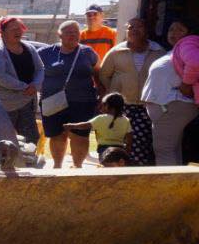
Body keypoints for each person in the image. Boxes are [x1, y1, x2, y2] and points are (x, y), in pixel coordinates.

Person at [97, 17, 164, 165]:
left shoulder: (158, 51)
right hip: (122, 106)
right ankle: (114, 173)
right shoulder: (116, 52)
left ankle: (137, 173)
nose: (134, 30)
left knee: (141, 142)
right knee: (116, 141)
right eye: (130, 27)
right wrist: (113, 92)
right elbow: (103, 74)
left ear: (146, 30)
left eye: (139, 27)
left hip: (146, 107)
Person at [36, 20, 99, 168]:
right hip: (53, 102)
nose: (73, 35)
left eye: (76, 32)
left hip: (83, 102)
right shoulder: (45, 53)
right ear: (60, 35)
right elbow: (33, 72)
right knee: (57, 135)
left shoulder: (87, 53)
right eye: (69, 32)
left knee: (80, 136)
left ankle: (77, 167)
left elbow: (98, 73)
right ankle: (57, 167)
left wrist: (102, 94)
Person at [143, 20, 199, 166]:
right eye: (171, 30)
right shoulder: (178, 50)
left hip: (173, 104)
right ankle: (176, 186)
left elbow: (195, 63)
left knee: (164, 149)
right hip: (169, 106)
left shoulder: (188, 43)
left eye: (179, 29)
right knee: (172, 148)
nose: (174, 33)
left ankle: (166, 187)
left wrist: (186, 85)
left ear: (189, 32)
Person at [0, 16, 44, 143]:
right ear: (3, 33)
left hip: (27, 102)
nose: (18, 32)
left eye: (20, 28)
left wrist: (35, 85)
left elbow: (40, 69)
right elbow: (0, 76)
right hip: (4, 105)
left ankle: (27, 163)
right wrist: (25, 87)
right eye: (13, 29)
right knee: (2, 141)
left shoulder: (30, 48)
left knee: (31, 140)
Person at [65, 92, 133, 158]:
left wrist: (71, 125)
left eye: (103, 104)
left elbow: (86, 125)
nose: (100, 107)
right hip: (120, 150)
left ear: (108, 106)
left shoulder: (101, 118)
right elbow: (129, 138)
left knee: (107, 166)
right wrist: (127, 152)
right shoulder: (126, 120)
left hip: (104, 150)